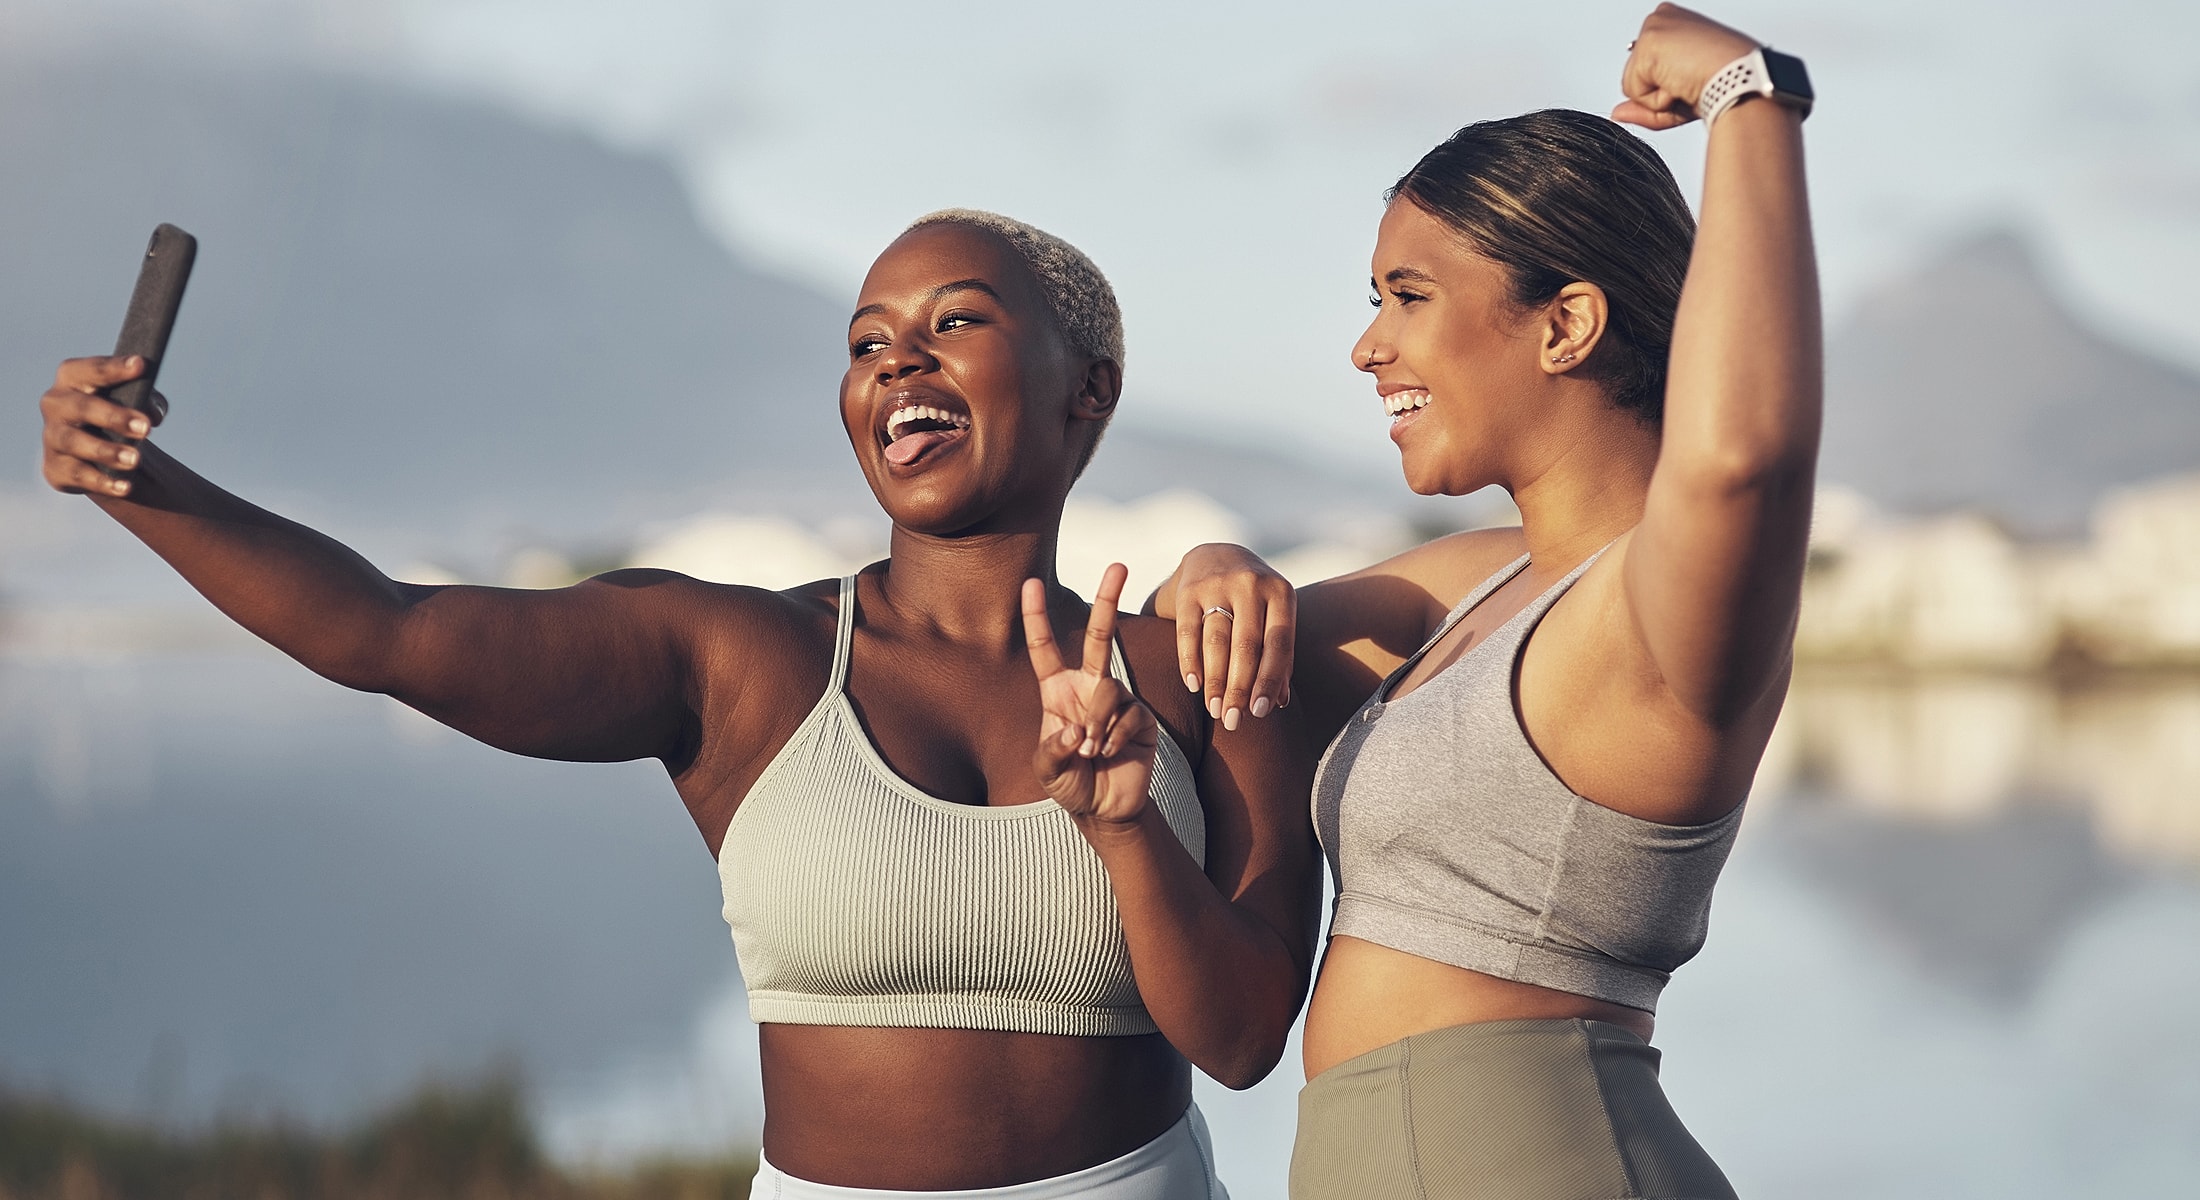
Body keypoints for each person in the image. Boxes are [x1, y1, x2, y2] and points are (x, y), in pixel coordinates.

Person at [36, 209, 1320, 1199]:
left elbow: (1248, 1038)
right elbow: (390, 630)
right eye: (867, 341)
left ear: (1086, 386)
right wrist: (146, 487)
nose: (896, 362)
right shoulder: (742, 659)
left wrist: (1124, 832)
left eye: (955, 324)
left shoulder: (1203, 669)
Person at [1155, 6, 1818, 1196]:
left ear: (1565, 324)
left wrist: (1749, 98)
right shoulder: (1483, 578)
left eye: (1407, 296)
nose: (1367, 347)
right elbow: (1203, 649)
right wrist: (1213, 559)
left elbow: (1743, 458)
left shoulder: (1668, 609)